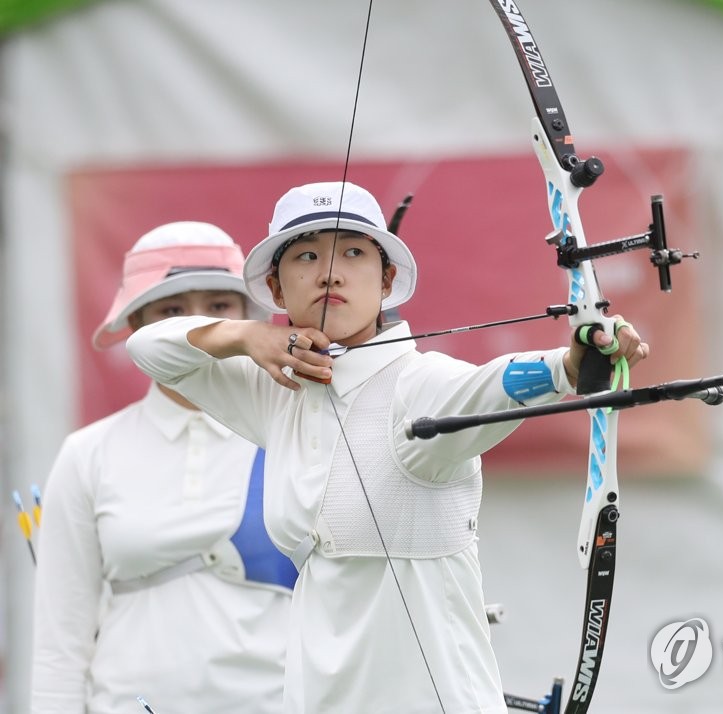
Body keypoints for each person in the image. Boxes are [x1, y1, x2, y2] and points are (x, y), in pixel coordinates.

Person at [126, 181, 649, 714]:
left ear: (387, 281)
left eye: (354, 252)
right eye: (306, 255)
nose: (330, 271)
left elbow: (493, 385)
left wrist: (572, 364)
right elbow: (148, 348)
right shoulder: (274, 386)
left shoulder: (418, 384)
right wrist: (244, 336)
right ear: (277, 292)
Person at [32, 223, 297, 714]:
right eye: (170, 312)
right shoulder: (88, 452)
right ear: (136, 329)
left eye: (219, 307)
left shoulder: (295, 429)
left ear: (247, 320)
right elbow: (60, 642)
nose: (196, 330)